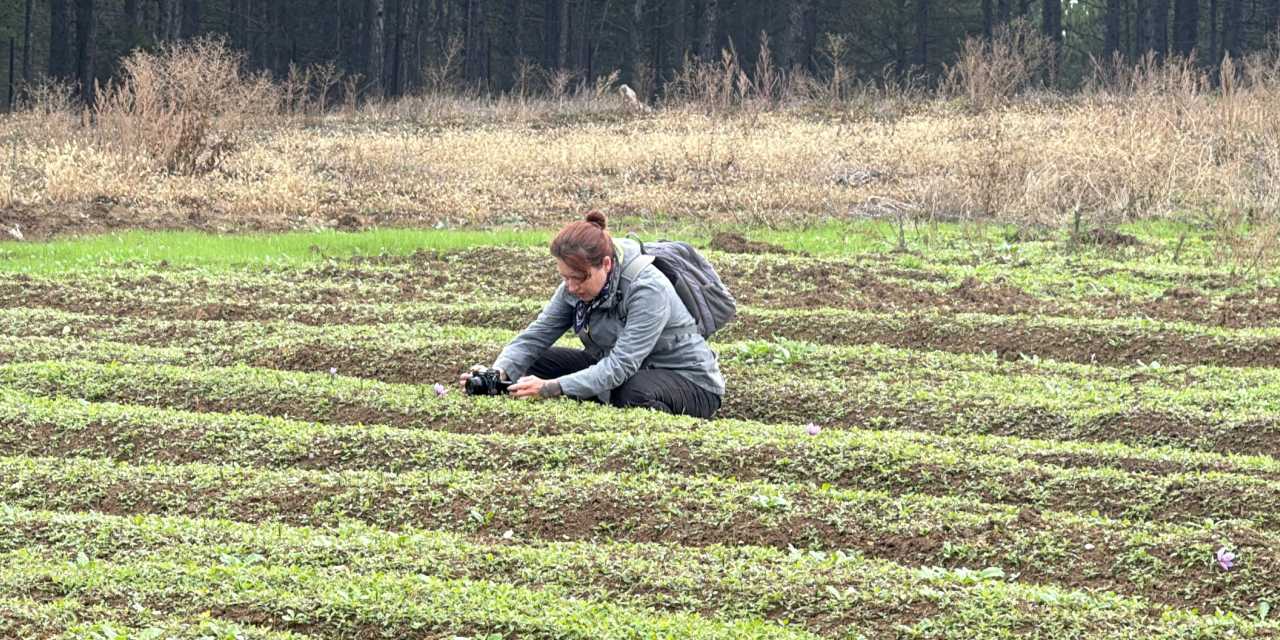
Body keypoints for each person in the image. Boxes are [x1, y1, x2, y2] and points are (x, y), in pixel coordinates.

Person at [458, 211, 724, 418]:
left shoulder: (648, 289)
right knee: (533, 364)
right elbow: (536, 336)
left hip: (688, 382)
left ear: (606, 265)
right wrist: (498, 373)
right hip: (622, 368)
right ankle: (594, 394)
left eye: (579, 278)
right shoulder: (573, 288)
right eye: (565, 277)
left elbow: (621, 366)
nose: (572, 287)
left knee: (630, 393)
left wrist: (552, 387)